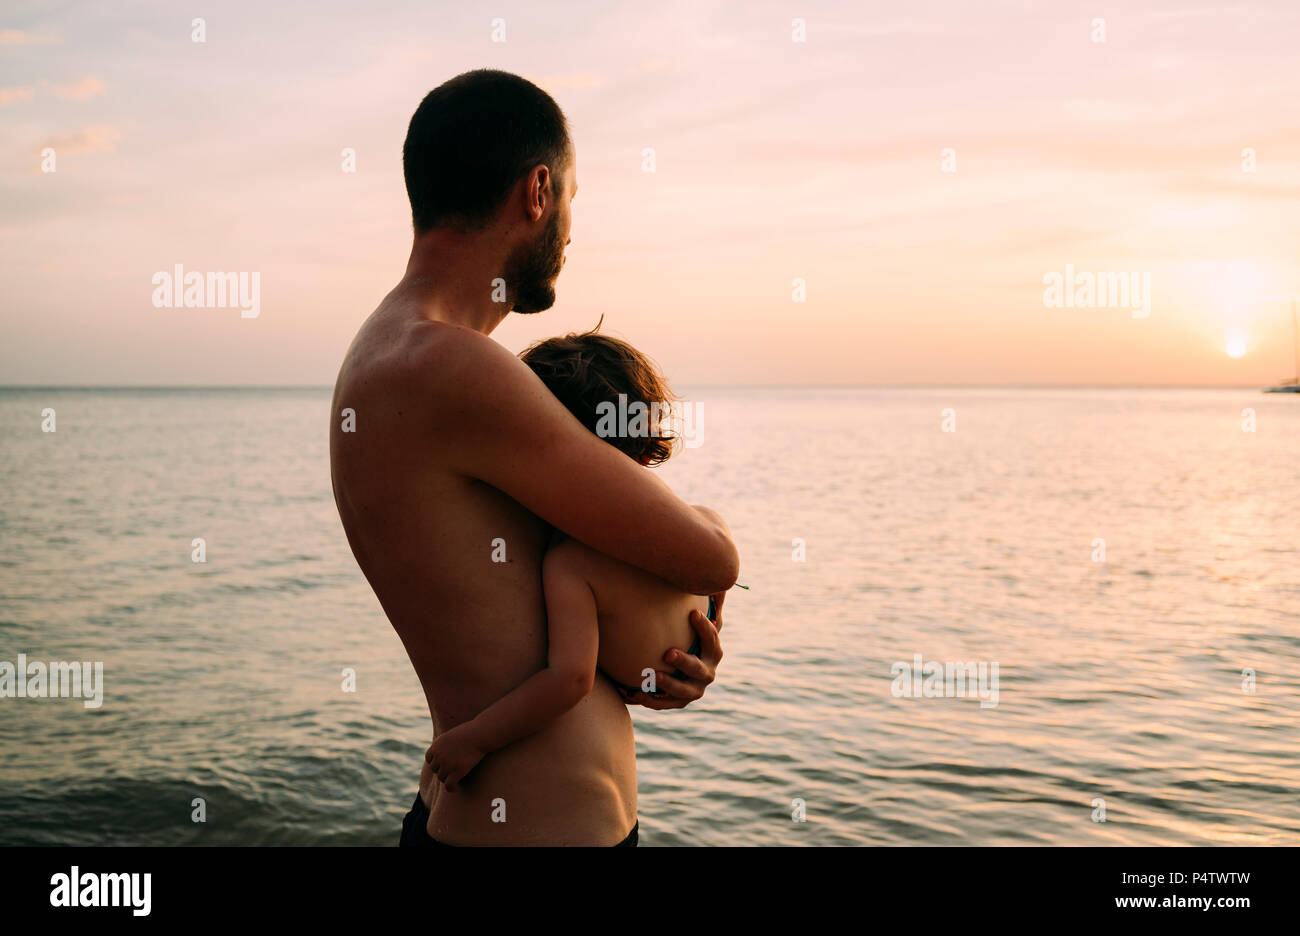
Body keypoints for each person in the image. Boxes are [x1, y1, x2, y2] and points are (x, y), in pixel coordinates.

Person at [329, 69, 738, 846]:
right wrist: (707, 597)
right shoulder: (453, 368)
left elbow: (506, 605)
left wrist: (669, 638)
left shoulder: (386, 353)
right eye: (574, 199)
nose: (573, 228)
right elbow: (712, 553)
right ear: (538, 191)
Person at [424, 329, 734, 798]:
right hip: (678, 647)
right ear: (646, 450)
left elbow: (570, 679)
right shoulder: (686, 533)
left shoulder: (573, 564)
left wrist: (474, 739)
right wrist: (714, 610)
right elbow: (716, 552)